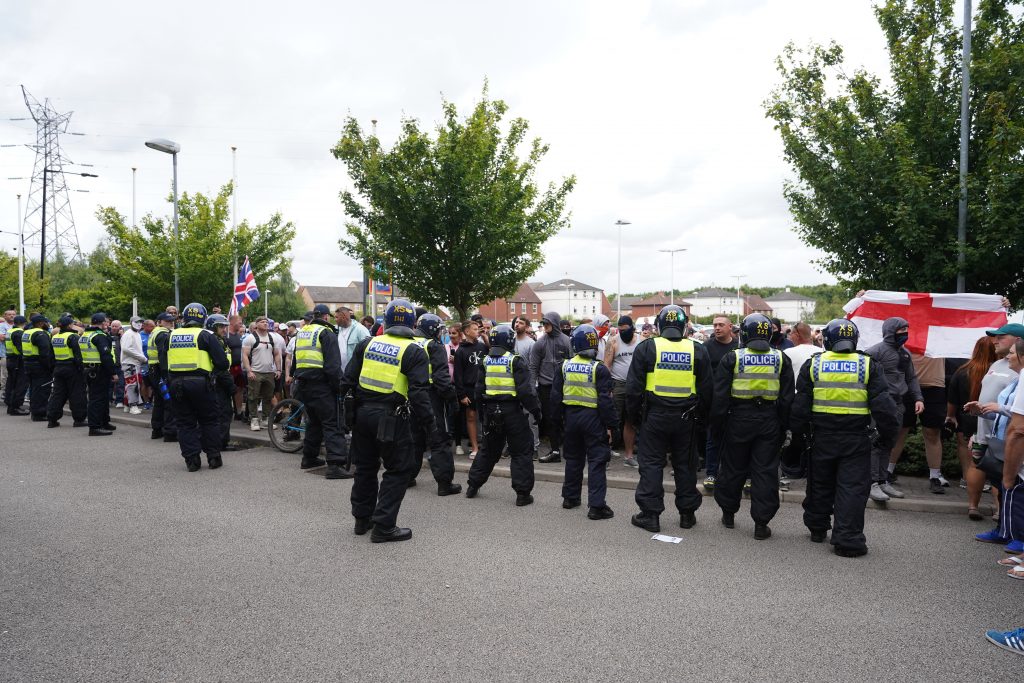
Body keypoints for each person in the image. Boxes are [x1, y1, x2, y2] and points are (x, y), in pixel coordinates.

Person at [792, 319, 899, 557]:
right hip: (856, 437)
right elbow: (883, 406)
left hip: (821, 435)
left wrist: (797, 435)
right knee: (851, 488)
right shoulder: (867, 364)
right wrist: (887, 435)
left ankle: (817, 528)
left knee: (819, 483)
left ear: (827, 340)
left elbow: (800, 406)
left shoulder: (815, 364)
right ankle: (848, 539)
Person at [341, 299, 433, 542]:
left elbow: (347, 381)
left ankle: (362, 520)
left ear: (386, 321)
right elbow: (419, 393)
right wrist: (430, 426)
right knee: (399, 469)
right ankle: (384, 526)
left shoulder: (367, 343)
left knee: (366, 467)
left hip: (362, 415)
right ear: (413, 323)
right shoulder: (414, 351)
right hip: (391, 418)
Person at [628, 305, 713, 533]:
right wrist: (701, 419)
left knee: (652, 464)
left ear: (659, 325)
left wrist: (633, 419)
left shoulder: (647, 347)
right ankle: (687, 514)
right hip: (687, 418)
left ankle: (650, 515)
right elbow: (707, 390)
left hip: (654, 416)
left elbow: (633, 389)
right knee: (685, 466)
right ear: (685, 326)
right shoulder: (698, 349)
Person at [711, 314, 794, 539]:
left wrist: (717, 428)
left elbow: (720, 398)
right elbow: (787, 400)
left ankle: (728, 514)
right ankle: (761, 524)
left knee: (732, 468)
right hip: (769, 420)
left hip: (738, 418)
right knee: (765, 472)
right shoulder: (780, 358)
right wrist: (784, 427)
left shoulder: (732, 358)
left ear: (744, 333)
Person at [465, 323, 542, 506]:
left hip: (492, 413)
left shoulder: (485, 360)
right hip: (512, 412)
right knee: (521, 452)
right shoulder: (515, 360)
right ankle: (522, 495)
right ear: (509, 340)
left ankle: (473, 486)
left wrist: (482, 414)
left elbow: (478, 390)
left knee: (488, 452)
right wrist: (536, 411)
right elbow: (525, 392)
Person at [551, 324, 617, 520]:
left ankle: (570, 498)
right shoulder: (599, 369)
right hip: (593, 419)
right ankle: (596, 506)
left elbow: (555, 398)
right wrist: (613, 426)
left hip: (571, 418)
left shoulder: (563, 366)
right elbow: (605, 402)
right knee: (597, 461)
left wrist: (556, 422)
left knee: (573, 459)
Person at [966, 324, 1024, 520]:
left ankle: (1006, 521)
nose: (995, 340)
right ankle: (998, 523)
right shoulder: (997, 364)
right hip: (986, 433)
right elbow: (991, 399)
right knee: (994, 477)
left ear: (1017, 340)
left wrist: (1000, 410)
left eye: (1001, 337)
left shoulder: (1020, 370)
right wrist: (979, 419)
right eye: (994, 337)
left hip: (1009, 437)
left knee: (1009, 480)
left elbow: (1015, 409)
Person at [863, 317, 924, 501]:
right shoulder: (874, 351)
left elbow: (911, 378)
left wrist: (918, 398)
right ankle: (872, 483)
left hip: (898, 405)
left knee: (889, 442)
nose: (904, 333)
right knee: (875, 442)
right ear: (890, 331)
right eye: (901, 330)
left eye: (906, 329)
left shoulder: (905, 354)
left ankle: (883, 481)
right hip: (880, 404)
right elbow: (864, 377)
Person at [167, 303, 229, 472]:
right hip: (201, 383)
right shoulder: (206, 335)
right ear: (203, 318)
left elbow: (164, 361)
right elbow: (222, 362)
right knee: (209, 420)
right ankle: (214, 457)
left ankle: (192, 460)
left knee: (185, 423)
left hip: (176, 383)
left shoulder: (171, 335)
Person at [292, 304, 351, 479]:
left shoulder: (302, 332)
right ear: (326, 317)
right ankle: (335, 465)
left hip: (303, 384)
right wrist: (339, 388)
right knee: (333, 423)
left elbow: (296, 360)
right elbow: (333, 367)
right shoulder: (326, 333)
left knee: (314, 422)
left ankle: (309, 458)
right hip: (322, 386)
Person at [409, 313, 461, 495]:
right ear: (432, 329)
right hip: (432, 398)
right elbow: (441, 378)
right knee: (439, 440)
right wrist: (452, 399)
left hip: (411, 396)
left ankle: (408, 476)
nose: (441, 333)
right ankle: (444, 483)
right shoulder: (435, 346)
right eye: (439, 330)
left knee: (414, 439)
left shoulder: (409, 343)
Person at [947, 337, 996, 495]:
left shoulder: (962, 370)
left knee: (964, 447)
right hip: (990, 416)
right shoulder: (997, 371)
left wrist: (950, 416)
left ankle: (966, 478)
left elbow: (952, 398)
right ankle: (986, 480)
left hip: (965, 417)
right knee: (988, 449)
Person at [701, 315, 739, 490]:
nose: (716, 328)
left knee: (735, 439)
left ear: (730, 327)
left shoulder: (738, 346)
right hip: (714, 400)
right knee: (713, 438)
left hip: (735, 400)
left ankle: (732, 474)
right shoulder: (706, 347)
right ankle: (711, 473)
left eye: (721, 325)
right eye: (715, 325)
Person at [531, 312, 573, 463]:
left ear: (555, 322)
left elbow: (572, 362)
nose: (544, 325)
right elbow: (533, 368)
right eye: (543, 322)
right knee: (550, 419)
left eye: (547, 322)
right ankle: (555, 451)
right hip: (546, 387)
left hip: (564, 386)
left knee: (567, 418)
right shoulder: (539, 343)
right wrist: (532, 388)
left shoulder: (566, 341)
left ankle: (569, 450)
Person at [604, 315, 641, 468]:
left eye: (625, 330)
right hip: (617, 384)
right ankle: (604, 454)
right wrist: (607, 388)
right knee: (611, 420)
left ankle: (629, 456)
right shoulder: (613, 341)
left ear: (632, 328)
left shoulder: (641, 341)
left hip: (635, 385)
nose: (622, 333)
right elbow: (606, 365)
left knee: (630, 421)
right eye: (620, 330)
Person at [45, 314, 87, 428]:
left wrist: (53, 368)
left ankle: (52, 419)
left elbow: (50, 356)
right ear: (69, 325)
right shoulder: (73, 337)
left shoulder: (55, 337)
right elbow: (79, 356)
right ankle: (79, 419)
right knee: (77, 394)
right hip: (72, 369)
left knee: (58, 394)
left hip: (58, 368)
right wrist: (81, 368)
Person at [242, 316, 282, 431]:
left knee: (268, 397)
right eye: (262, 322)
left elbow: (277, 354)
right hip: (255, 372)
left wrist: (278, 369)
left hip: (269, 372)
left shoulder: (272, 338)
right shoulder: (250, 338)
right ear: (256, 324)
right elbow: (244, 355)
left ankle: (265, 419)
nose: (265, 324)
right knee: (253, 397)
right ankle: (254, 419)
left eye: (266, 322)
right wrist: (249, 370)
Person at [454, 319, 486, 459]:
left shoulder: (483, 347)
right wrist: (461, 394)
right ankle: (474, 448)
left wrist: (486, 338)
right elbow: (458, 374)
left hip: (484, 387)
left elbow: (493, 351)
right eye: (474, 329)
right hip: (469, 388)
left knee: (486, 417)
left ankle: (486, 446)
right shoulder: (460, 351)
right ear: (466, 332)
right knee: (471, 417)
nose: (477, 331)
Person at [80, 313, 117, 436]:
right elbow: (106, 356)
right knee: (97, 399)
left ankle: (104, 422)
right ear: (102, 323)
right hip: (99, 370)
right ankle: (95, 427)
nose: (108, 324)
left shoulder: (85, 334)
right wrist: (113, 372)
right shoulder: (99, 336)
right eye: (106, 322)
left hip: (89, 369)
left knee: (102, 398)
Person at [205, 314, 237, 451]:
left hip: (220, 380)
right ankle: (220, 443)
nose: (224, 329)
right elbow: (219, 365)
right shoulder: (214, 341)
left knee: (224, 413)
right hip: (218, 381)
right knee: (223, 413)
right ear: (213, 327)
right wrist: (230, 386)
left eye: (225, 326)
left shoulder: (220, 340)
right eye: (221, 326)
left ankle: (220, 441)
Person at [513, 316, 541, 456]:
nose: (517, 325)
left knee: (531, 419)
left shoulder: (531, 344)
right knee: (512, 417)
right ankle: (511, 445)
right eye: (516, 322)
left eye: (521, 323)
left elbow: (533, 366)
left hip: (527, 385)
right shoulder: (509, 341)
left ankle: (534, 447)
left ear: (527, 326)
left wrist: (531, 386)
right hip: (511, 385)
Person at [147, 312, 177, 441]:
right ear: (159, 321)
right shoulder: (163, 334)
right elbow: (163, 354)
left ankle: (157, 430)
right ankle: (170, 432)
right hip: (160, 370)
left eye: (171, 321)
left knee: (159, 401)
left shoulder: (155, 332)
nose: (171, 322)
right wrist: (166, 374)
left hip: (154, 370)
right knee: (169, 401)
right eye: (167, 321)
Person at [22, 314, 54, 422]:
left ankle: (34, 410)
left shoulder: (27, 332)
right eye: (45, 322)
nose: (47, 324)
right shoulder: (41, 334)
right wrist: (49, 367)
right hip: (39, 365)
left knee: (34, 389)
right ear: (40, 323)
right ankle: (39, 413)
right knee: (41, 390)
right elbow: (44, 353)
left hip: (28, 363)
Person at [120, 317, 146, 415]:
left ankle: (127, 405)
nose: (139, 324)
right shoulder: (129, 334)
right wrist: (142, 358)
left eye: (141, 322)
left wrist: (141, 358)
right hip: (130, 363)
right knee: (132, 385)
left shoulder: (136, 334)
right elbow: (126, 349)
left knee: (133, 384)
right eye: (137, 322)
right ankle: (132, 405)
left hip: (134, 363)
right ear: (131, 323)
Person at [4, 315, 28, 415]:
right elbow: (20, 348)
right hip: (17, 361)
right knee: (20, 385)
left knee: (11, 384)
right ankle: (15, 407)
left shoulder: (10, 331)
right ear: (24, 323)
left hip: (10, 359)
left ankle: (10, 405)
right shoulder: (19, 333)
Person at [335, 305, 370, 373]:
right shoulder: (336, 329)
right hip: (339, 373)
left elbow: (367, 351)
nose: (335, 319)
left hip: (353, 373)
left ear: (343, 317)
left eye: (336, 317)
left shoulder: (360, 330)